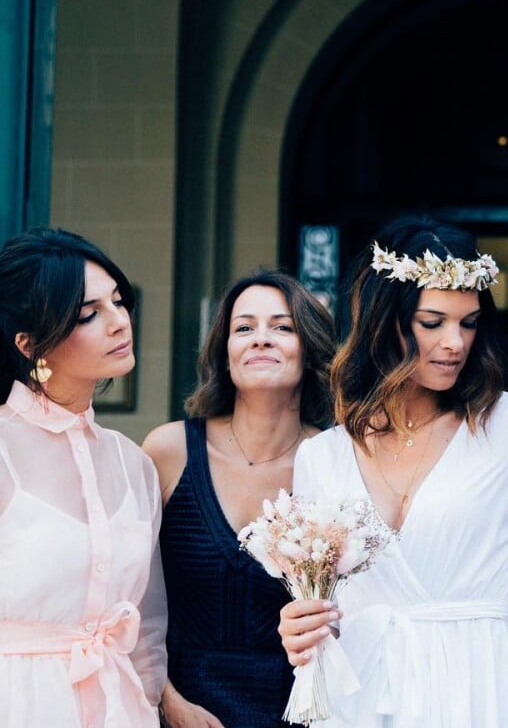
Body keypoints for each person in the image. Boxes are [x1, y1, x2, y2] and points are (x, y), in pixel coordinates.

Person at [277, 217, 508, 727]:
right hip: (358, 699)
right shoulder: (322, 457)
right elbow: (324, 612)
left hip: (478, 689)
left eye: (468, 323)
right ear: (385, 322)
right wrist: (302, 627)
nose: (455, 343)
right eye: (433, 322)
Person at [143, 271, 336, 727]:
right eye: (244, 328)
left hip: (301, 713)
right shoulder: (168, 452)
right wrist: (167, 700)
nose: (261, 340)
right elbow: (126, 597)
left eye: (282, 327)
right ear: (224, 352)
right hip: (182, 711)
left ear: (308, 349)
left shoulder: (334, 463)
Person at [0, 228, 166, 726]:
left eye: (119, 301)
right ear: (30, 345)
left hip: (119, 705)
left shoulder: (132, 463)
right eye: (89, 315)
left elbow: (149, 626)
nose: (120, 322)